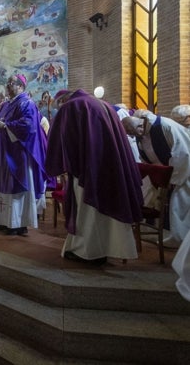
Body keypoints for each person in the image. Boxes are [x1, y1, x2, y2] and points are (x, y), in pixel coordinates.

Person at [46, 89, 143, 265]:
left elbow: (65, 140)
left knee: (88, 211)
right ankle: (107, 249)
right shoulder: (104, 105)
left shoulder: (72, 106)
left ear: (62, 101)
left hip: (87, 168)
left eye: (57, 106)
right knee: (105, 208)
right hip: (111, 165)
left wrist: (63, 164)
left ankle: (88, 252)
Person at [0, 74, 48, 236]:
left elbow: (29, 126)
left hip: (18, 154)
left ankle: (18, 224)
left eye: (11, 84)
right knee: (4, 185)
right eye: (7, 83)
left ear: (21, 86)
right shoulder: (6, 105)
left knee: (17, 186)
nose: (7, 86)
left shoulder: (26, 103)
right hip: (5, 151)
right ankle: (3, 221)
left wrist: (5, 126)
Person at [122, 111, 190, 244]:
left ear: (139, 127)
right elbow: (144, 155)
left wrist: (173, 179)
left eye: (133, 133)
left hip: (181, 172)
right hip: (162, 174)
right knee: (151, 198)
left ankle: (176, 238)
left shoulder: (164, 126)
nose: (133, 137)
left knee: (177, 203)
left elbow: (183, 154)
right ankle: (156, 233)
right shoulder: (140, 133)